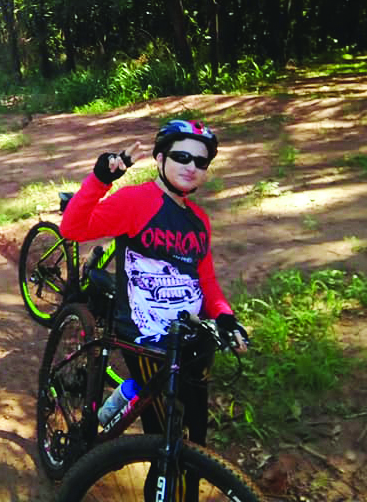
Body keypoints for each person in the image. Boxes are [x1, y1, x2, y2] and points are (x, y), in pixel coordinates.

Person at [60, 120, 248, 492]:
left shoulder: (199, 221)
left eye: (201, 161)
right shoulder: (137, 201)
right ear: (160, 158)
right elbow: (73, 228)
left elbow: (205, 281)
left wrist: (225, 316)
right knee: (167, 439)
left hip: (193, 339)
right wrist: (100, 178)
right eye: (181, 156)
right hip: (147, 338)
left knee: (195, 435)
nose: (192, 166)